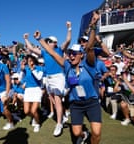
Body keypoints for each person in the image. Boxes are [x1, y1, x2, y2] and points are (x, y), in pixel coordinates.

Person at [34, 11, 102, 144]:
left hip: (92, 102)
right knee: (76, 132)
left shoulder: (89, 64)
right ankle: (84, 134)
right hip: (76, 104)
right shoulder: (67, 66)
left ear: (81, 55)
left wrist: (93, 26)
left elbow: (89, 48)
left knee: (97, 133)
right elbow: (52, 52)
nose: (71, 55)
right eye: (70, 53)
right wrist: (40, 39)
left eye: (75, 53)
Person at [23, 21, 71, 136]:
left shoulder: (59, 49)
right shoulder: (44, 53)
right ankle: (63, 116)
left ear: (55, 43)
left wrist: (69, 28)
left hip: (58, 77)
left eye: (50, 41)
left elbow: (68, 40)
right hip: (48, 79)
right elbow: (31, 48)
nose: (48, 42)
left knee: (58, 101)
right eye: (48, 41)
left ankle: (59, 123)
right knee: (53, 99)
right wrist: (26, 39)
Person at [21, 53, 44, 132]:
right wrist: (24, 83)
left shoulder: (39, 68)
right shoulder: (26, 69)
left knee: (33, 110)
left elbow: (39, 77)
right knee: (26, 111)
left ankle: (37, 123)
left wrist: (32, 69)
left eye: (31, 60)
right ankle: (34, 117)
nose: (29, 61)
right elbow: (22, 78)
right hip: (28, 90)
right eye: (28, 60)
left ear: (34, 60)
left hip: (36, 90)